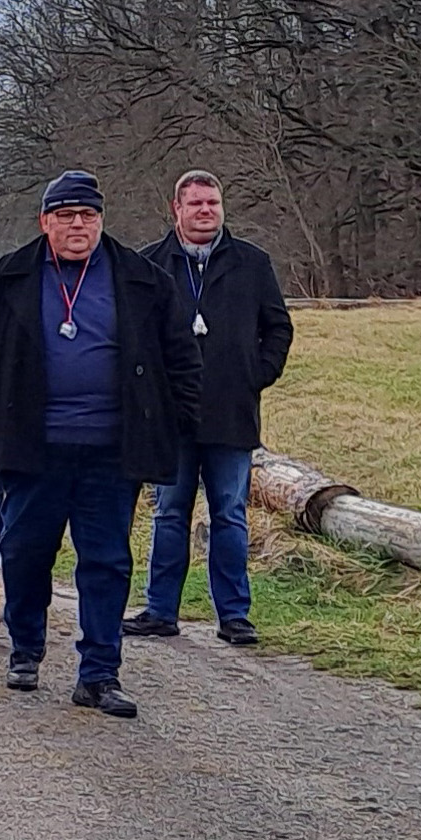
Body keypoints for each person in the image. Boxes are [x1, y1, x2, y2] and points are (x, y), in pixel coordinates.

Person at [0, 170, 201, 717]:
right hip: (32, 449)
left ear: (100, 220)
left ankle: (99, 672)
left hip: (112, 452)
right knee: (24, 553)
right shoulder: (7, 278)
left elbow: (183, 360)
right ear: (45, 222)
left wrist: (167, 422)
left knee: (107, 561)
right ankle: (26, 649)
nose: (77, 225)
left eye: (87, 215)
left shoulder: (143, 278)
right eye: (65, 215)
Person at [124, 169, 293, 645]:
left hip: (231, 415)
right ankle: (160, 610)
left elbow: (278, 328)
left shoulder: (252, 263)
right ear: (176, 209)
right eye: (195, 204)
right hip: (171, 418)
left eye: (212, 203)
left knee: (230, 515)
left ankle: (234, 616)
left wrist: (255, 376)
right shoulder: (150, 264)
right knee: (169, 514)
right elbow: (132, 335)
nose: (205, 211)